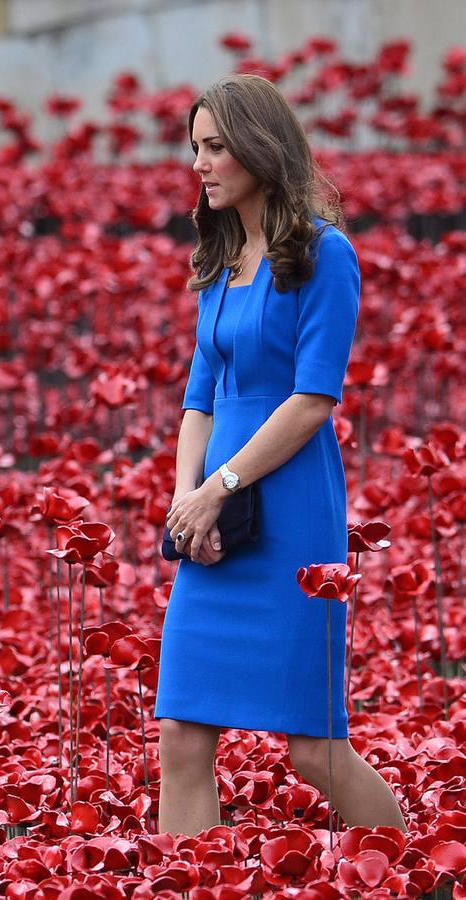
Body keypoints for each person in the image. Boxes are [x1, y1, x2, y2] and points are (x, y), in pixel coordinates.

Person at [152, 74, 406, 835]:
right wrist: (185, 498)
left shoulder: (325, 256)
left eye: (217, 146)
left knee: (312, 746)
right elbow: (198, 397)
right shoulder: (220, 261)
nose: (199, 163)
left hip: (290, 517)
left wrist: (219, 486)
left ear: (261, 149)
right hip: (212, 521)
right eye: (195, 146)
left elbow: (312, 401)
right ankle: (190, 890)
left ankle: (418, 876)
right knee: (180, 735)